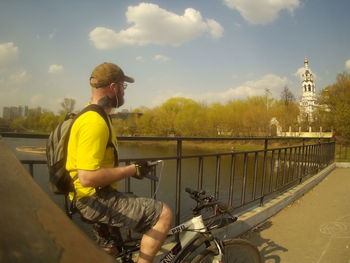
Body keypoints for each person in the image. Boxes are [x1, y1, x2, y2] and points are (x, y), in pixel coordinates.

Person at [66, 62, 173, 263]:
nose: (124, 92)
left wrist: (134, 168)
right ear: (114, 87)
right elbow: (88, 177)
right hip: (94, 198)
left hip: (83, 196)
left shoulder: (90, 115)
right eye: (123, 86)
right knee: (162, 214)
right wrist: (131, 169)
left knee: (112, 250)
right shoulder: (94, 122)